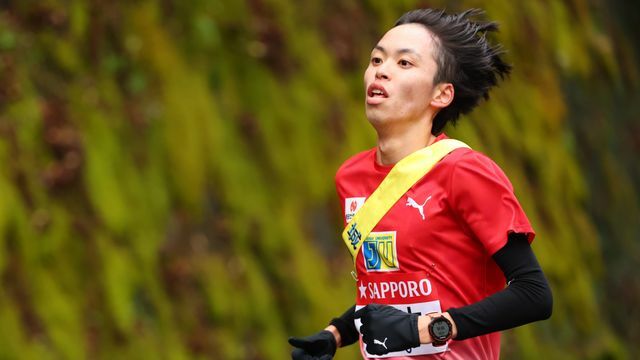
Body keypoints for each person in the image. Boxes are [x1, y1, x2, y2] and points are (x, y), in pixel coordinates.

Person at [288, 8, 552, 360]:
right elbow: (388, 292)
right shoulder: (350, 178)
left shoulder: (465, 171)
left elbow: (534, 294)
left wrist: (429, 328)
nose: (381, 70)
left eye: (404, 64)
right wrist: (336, 333)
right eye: (377, 59)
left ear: (441, 95)